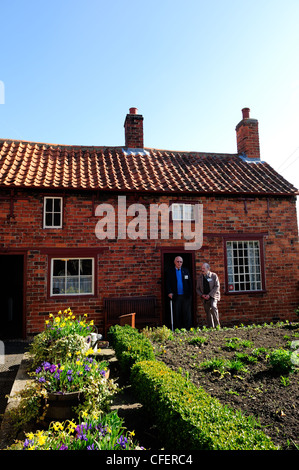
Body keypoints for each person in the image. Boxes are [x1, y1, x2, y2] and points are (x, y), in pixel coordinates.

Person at [165, 256, 192, 330]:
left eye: (181, 262)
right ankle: (177, 328)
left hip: (185, 296)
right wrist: (169, 292)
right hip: (176, 296)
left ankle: (187, 328)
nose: (179, 263)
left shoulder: (185, 271)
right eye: (178, 261)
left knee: (186, 312)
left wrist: (189, 293)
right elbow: (167, 283)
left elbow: (190, 283)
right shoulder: (170, 271)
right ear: (174, 262)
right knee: (177, 313)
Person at [196, 263, 221, 328]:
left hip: (213, 296)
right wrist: (202, 295)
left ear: (208, 269)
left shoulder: (214, 276)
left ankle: (217, 326)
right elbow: (197, 289)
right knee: (207, 311)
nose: (202, 270)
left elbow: (217, 286)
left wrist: (209, 295)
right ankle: (211, 327)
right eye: (202, 268)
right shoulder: (200, 277)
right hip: (204, 297)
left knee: (213, 307)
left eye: (204, 268)